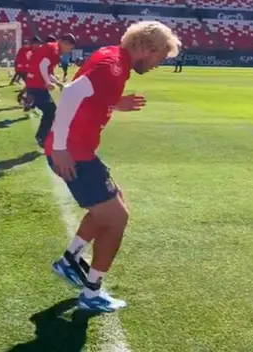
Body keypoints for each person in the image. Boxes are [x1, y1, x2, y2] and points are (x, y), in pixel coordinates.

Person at [47, 21, 181, 312]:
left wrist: (115, 103)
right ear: (146, 47)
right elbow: (70, 94)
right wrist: (59, 148)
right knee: (117, 219)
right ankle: (91, 293)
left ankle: (70, 260)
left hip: (79, 151)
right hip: (73, 153)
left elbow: (90, 97)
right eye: (159, 57)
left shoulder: (113, 58)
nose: (158, 64)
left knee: (113, 204)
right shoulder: (114, 65)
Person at [24, 34, 75, 148]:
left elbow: (48, 71)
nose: (69, 50)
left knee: (50, 110)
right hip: (37, 84)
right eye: (70, 47)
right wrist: (47, 82)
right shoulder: (54, 49)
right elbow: (43, 65)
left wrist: (57, 83)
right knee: (50, 111)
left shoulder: (52, 48)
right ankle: (42, 137)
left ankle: (43, 135)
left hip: (35, 83)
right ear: (65, 43)